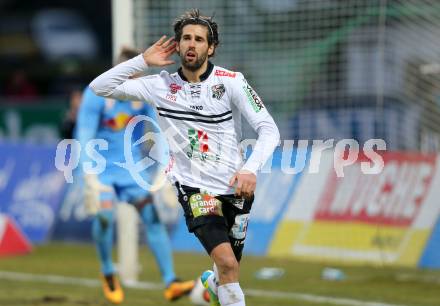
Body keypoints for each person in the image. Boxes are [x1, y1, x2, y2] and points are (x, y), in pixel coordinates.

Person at [89, 10, 280, 306]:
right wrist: (141, 61)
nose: (192, 44)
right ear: (177, 45)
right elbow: (99, 87)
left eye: (200, 39)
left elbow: (269, 130)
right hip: (195, 189)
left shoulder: (231, 82)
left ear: (211, 47)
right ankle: (214, 285)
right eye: (186, 38)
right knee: (228, 264)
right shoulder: (159, 86)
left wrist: (251, 169)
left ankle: (209, 288)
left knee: (227, 271)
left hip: (235, 187)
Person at [76, 47, 195, 304]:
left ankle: (170, 281)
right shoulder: (96, 93)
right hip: (101, 170)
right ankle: (108, 272)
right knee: (105, 216)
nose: (137, 82)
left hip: (132, 169)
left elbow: (160, 130)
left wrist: (163, 172)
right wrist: (88, 175)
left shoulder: (142, 93)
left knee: (152, 216)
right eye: (133, 75)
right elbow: (84, 133)